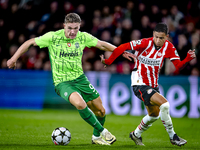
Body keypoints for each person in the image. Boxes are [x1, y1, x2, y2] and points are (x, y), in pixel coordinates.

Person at [7, 13, 134, 145]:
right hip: (62, 82)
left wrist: (121, 52)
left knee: (101, 110)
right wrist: (14, 58)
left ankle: (96, 138)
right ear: (64, 26)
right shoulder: (53, 37)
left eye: (76, 28)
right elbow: (30, 42)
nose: (73, 32)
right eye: (70, 28)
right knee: (80, 104)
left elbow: (102, 45)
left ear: (79, 27)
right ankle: (103, 131)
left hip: (80, 79)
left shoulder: (83, 37)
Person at [100, 23, 196, 146]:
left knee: (154, 115)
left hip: (153, 84)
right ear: (153, 35)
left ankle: (135, 134)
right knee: (165, 105)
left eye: (161, 38)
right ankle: (173, 136)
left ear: (166, 37)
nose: (158, 40)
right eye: (156, 37)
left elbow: (178, 66)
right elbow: (122, 47)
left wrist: (187, 59)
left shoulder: (169, 47)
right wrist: (108, 61)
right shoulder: (144, 43)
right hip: (139, 83)